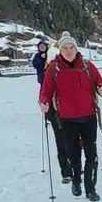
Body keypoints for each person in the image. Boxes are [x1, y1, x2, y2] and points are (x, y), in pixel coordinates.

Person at [38, 32, 102, 201]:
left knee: (91, 154)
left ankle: (90, 188)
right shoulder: (54, 70)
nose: (69, 51)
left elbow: (100, 82)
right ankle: (76, 180)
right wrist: (44, 102)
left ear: (76, 49)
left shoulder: (87, 66)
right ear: (60, 50)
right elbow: (45, 92)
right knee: (74, 155)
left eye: (71, 48)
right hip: (67, 119)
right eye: (65, 48)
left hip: (89, 116)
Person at [34, 39, 72, 181]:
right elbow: (44, 93)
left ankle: (72, 167)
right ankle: (66, 171)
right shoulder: (47, 73)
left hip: (69, 111)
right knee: (61, 140)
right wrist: (44, 104)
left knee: (69, 140)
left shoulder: (66, 71)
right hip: (55, 111)